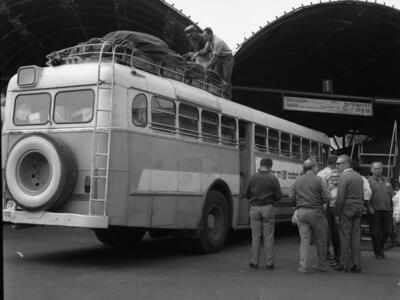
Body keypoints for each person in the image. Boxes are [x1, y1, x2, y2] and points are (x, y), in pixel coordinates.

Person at [289, 159, 331, 274]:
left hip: (301, 212)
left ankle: (303, 266)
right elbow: (328, 196)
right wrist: (320, 201)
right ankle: (321, 264)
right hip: (316, 212)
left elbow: (291, 196)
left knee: (304, 239)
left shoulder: (297, 180)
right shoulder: (319, 179)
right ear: (313, 167)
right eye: (317, 167)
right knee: (321, 239)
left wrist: (298, 204)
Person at [244, 157, 282, 270]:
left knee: (255, 236)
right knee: (268, 236)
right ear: (270, 166)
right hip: (268, 208)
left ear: (260, 165)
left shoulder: (252, 178)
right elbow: (278, 196)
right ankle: (269, 263)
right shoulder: (273, 178)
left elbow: (246, 193)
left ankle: (254, 262)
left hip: (255, 208)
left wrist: (252, 198)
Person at [334, 155, 364, 273]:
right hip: (358, 207)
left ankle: (343, 263)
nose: (337, 166)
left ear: (346, 163)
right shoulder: (359, 177)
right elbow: (362, 194)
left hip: (346, 208)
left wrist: (337, 213)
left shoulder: (343, 177)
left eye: (339, 164)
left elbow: (340, 198)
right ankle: (356, 264)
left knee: (344, 236)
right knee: (356, 236)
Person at [193, 27, 233, 98]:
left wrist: (205, 67)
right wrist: (197, 53)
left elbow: (214, 59)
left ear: (210, 34)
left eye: (205, 36)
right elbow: (205, 50)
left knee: (226, 76)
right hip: (219, 57)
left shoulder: (217, 42)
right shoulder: (209, 40)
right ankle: (217, 91)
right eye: (204, 36)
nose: (204, 38)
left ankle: (228, 94)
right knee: (215, 74)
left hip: (227, 58)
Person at [367, 161, 394, 259]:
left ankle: (380, 249)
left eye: (379, 168)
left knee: (387, 231)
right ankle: (378, 253)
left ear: (382, 169)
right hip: (375, 210)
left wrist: (393, 208)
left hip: (387, 210)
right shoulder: (368, 181)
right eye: (375, 168)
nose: (377, 170)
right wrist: (369, 207)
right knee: (375, 233)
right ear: (371, 170)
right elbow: (366, 196)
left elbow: (392, 195)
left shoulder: (387, 181)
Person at [326, 170, 340, 266]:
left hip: (336, 211)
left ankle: (337, 256)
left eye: (336, 177)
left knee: (336, 234)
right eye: (332, 178)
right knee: (330, 234)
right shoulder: (328, 189)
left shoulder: (341, 189)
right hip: (328, 212)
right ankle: (332, 254)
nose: (334, 179)